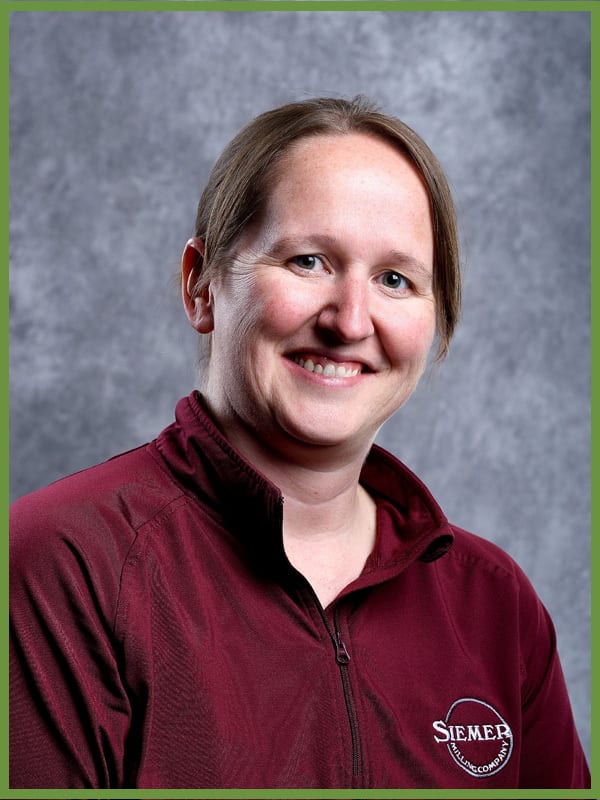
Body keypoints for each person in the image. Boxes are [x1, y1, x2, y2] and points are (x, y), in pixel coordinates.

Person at [10, 96, 590, 790]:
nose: (350, 320)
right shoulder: (60, 563)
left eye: (395, 280)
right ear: (201, 286)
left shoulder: (495, 605)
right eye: (309, 261)